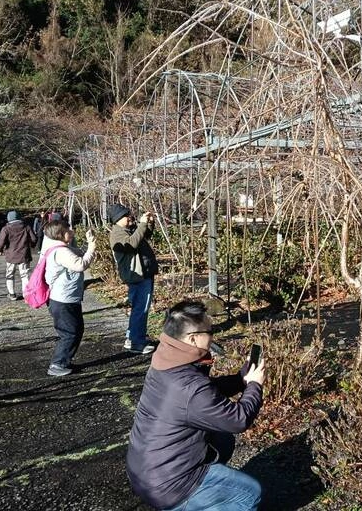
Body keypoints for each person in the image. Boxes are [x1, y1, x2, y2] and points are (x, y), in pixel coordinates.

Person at [127, 300, 265, 510]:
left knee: (222, 440)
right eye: (209, 332)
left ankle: (202, 496)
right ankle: (189, 502)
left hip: (144, 471)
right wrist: (255, 385)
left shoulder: (165, 359)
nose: (213, 336)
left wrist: (240, 380)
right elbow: (238, 420)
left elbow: (205, 395)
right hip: (167, 486)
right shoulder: (190, 387)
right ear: (192, 339)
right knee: (249, 493)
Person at [43, 220, 96, 377]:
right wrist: (92, 247)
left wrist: (89, 243)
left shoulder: (62, 248)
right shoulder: (61, 252)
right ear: (60, 233)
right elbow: (80, 264)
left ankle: (63, 361)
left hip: (67, 299)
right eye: (68, 229)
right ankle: (58, 364)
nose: (71, 231)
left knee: (76, 330)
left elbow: (80, 253)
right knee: (70, 332)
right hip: (62, 300)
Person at [108, 203, 158, 354]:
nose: (130, 218)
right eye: (126, 216)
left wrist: (149, 223)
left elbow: (144, 235)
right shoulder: (117, 233)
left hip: (143, 274)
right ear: (118, 219)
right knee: (140, 309)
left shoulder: (127, 230)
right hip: (138, 277)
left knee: (138, 308)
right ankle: (137, 343)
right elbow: (131, 245)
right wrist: (142, 224)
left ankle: (132, 338)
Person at [0, 210, 37, 301]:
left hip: (11, 256)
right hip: (24, 255)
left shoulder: (6, 228)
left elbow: (1, 241)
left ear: (8, 219)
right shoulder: (26, 227)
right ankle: (26, 295)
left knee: (10, 274)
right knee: (25, 275)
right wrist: (32, 245)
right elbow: (34, 239)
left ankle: (12, 294)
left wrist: (0, 250)